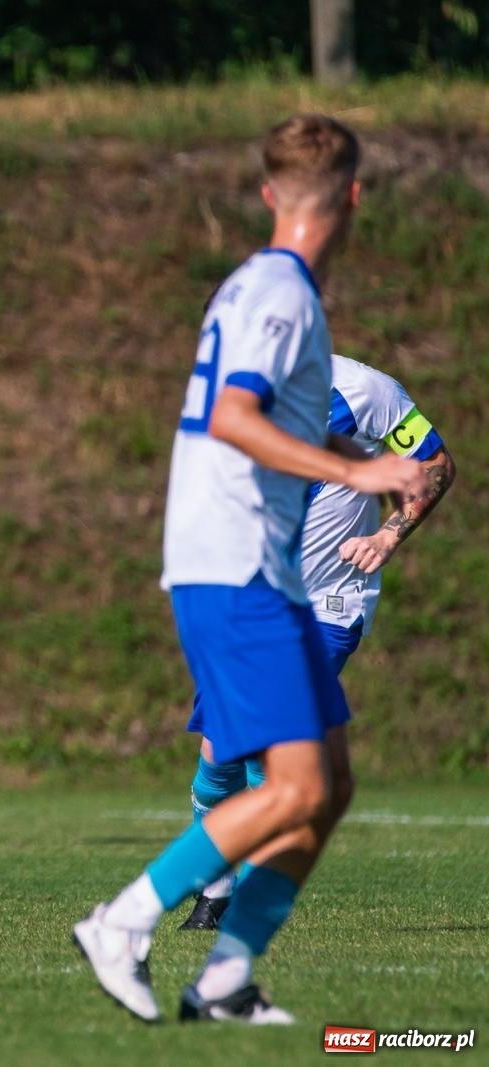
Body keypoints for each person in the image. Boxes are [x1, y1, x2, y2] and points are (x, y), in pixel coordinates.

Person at [72, 115, 429, 1024]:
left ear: (270, 196)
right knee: (295, 786)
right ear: (353, 198)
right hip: (236, 566)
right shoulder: (283, 295)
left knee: (330, 786)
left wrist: (351, 447)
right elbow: (235, 416)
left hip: (256, 569)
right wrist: (362, 470)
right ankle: (124, 919)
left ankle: (227, 979)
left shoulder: (255, 286)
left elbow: (271, 418)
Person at [181, 352, 455, 930]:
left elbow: (434, 462)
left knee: (267, 740)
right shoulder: (224, 399)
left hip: (329, 605)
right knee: (216, 762)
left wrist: (388, 534)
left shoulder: (363, 391)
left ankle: (242, 907)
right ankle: (217, 890)